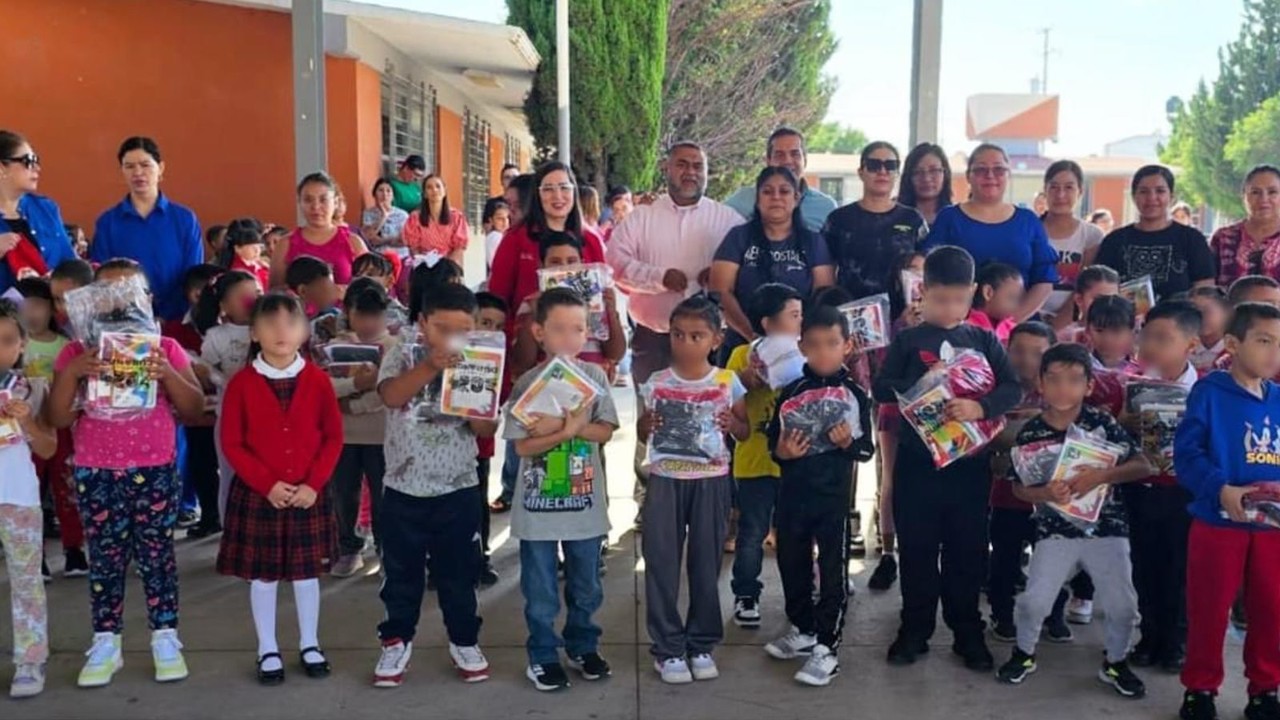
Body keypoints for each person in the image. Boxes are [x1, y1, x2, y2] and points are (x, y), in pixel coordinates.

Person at [48, 260, 205, 688]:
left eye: (128, 294)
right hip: (97, 471)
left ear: (146, 300)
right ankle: (106, 641)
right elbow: (58, 417)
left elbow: (193, 409)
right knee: (105, 559)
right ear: (89, 304)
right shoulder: (76, 352)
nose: (118, 305)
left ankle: (165, 636)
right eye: (106, 295)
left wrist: (166, 373)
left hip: (154, 469)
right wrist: (75, 374)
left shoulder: (165, 348)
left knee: (158, 556)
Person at [873, 245, 1020, 671]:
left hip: (969, 470)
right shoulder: (908, 340)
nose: (950, 308)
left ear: (974, 292)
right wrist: (919, 386)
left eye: (959, 299)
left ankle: (967, 633)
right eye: (940, 299)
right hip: (918, 467)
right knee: (917, 551)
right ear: (922, 292)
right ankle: (914, 630)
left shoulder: (983, 339)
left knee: (967, 553)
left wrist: (981, 407)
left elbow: (1011, 388)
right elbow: (882, 388)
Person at [997, 343, 1149, 698]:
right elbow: (1020, 489)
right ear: (1040, 384)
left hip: (1107, 530)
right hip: (1055, 532)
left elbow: (1143, 464)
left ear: (1089, 386)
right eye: (1054, 380)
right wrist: (1045, 494)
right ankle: (1024, 653)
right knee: (1035, 601)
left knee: (1123, 606)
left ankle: (1115, 662)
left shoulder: (1102, 423)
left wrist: (1101, 476)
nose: (1064, 388)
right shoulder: (1031, 432)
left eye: (1074, 380)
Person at [607, 142, 743, 510]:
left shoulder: (727, 219)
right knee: (650, 414)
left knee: (710, 416)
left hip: (708, 343)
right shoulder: (641, 218)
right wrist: (658, 278)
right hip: (654, 335)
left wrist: (716, 276)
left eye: (698, 165)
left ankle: (707, 495)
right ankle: (647, 497)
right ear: (667, 168)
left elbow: (741, 266)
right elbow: (615, 262)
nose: (691, 172)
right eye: (682, 164)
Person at [216, 293, 343, 685]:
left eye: (291, 323)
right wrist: (267, 484)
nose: (281, 332)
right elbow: (232, 442)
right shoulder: (242, 384)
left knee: (307, 575)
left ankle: (310, 642)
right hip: (260, 495)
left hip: (308, 495)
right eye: (270, 324)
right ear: (254, 333)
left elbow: (333, 438)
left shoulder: (318, 381)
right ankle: (266, 648)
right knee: (265, 576)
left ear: (305, 332)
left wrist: (313, 485)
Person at [373, 283, 496, 688]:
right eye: (442, 328)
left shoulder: (478, 356)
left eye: (462, 329)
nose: (452, 339)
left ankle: (464, 639)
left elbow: (483, 427)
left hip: (458, 487)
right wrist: (430, 366)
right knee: (401, 572)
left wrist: (478, 400)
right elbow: (390, 395)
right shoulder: (402, 350)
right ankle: (396, 639)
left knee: (459, 573)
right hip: (403, 487)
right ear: (422, 322)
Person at [506, 288, 620, 691]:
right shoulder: (527, 384)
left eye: (579, 329)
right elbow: (522, 445)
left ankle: (582, 644)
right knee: (540, 591)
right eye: (559, 329)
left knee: (586, 584)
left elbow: (604, 431)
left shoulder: (595, 378)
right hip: (537, 508)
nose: (571, 338)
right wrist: (565, 431)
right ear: (539, 332)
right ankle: (541, 654)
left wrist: (565, 428)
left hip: (583, 505)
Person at [1174, 301, 1280, 720]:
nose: (1274, 353)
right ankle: (1199, 688)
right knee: (1209, 609)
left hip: (1272, 530)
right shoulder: (1209, 392)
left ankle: (1266, 688)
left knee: (1272, 609)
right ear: (1233, 344)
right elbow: (1186, 454)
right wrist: (1221, 490)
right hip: (1218, 523)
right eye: (1264, 341)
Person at [638, 296, 748, 685]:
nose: (686, 343)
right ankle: (667, 648)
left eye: (697, 335)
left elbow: (744, 430)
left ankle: (701, 643)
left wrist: (731, 422)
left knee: (706, 563)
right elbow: (642, 433)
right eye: (678, 334)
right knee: (662, 562)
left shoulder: (726, 382)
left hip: (712, 479)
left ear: (716, 339)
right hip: (666, 480)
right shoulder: (657, 383)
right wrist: (646, 425)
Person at [763, 304, 874, 687]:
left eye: (832, 343)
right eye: (815, 343)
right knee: (791, 565)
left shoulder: (856, 394)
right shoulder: (790, 391)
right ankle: (804, 629)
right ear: (802, 347)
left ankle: (827, 647)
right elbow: (771, 444)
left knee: (832, 574)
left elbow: (866, 451)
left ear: (847, 346)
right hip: (793, 498)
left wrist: (847, 445)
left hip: (833, 503)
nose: (824, 351)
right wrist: (782, 453)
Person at [1127, 300, 1201, 673]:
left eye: (1162, 338)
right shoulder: (1130, 385)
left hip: (1184, 494)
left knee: (1180, 568)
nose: (1150, 346)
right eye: (1146, 336)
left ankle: (1176, 642)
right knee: (1143, 565)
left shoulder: (1206, 390)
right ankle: (1149, 636)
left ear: (1190, 345)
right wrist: (1123, 418)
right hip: (1139, 488)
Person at [985, 322, 1070, 643]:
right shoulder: (995, 392)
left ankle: (1055, 614)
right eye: (1018, 350)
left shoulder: (1061, 393)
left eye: (1038, 353)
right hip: (1006, 497)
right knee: (1004, 559)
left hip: (1052, 499)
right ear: (1006, 350)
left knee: (1054, 560)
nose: (1026, 359)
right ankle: (1002, 615)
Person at [727, 283, 803, 628]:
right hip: (754, 461)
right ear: (769, 323)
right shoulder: (742, 355)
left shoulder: (805, 352)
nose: (801, 322)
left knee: (795, 532)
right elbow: (730, 400)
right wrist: (747, 378)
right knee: (752, 531)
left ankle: (802, 590)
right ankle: (746, 593)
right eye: (794, 315)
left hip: (794, 461)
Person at [923, 144, 1058, 321]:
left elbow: (1044, 280)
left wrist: (1011, 324)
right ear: (968, 176)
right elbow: (929, 273)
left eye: (999, 169)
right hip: (960, 327)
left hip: (1020, 330)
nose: (990, 176)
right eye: (981, 170)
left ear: (1008, 175)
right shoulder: (949, 218)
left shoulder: (1028, 221)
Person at [710, 166, 834, 355]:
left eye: (784, 191)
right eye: (767, 191)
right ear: (758, 200)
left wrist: (800, 338)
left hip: (800, 349)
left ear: (796, 198)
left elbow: (823, 295)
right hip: (742, 346)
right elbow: (720, 290)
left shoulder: (813, 242)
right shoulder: (738, 237)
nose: (776, 197)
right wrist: (753, 337)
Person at [0, 298, 57, 698]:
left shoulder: (31, 388)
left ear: (22, 345)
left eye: (6, 340)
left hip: (17, 496)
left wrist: (25, 420)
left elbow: (49, 448)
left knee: (26, 582)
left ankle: (30, 660)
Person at [15, 277, 87, 577]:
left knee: (67, 488)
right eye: (25, 306)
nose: (32, 312)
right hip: (24, 433)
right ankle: (38, 556)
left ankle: (74, 549)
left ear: (52, 310)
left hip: (62, 429)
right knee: (33, 491)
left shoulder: (66, 346)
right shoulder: (14, 344)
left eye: (40, 305)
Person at [91, 137, 203, 322]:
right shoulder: (108, 222)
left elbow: (192, 275)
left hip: (177, 319)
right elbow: (103, 277)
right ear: (122, 172)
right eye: (129, 166)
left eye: (145, 165)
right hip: (125, 322)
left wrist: (167, 315)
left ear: (161, 168)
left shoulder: (184, 219)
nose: (138, 173)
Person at [490, 162, 607, 336]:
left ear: (574, 191)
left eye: (564, 187)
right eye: (548, 189)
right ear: (537, 194)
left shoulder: (591, 240)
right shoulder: (515, 239)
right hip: (528, 346)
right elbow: (497, 298)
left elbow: (601, 298)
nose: (557, 196)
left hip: (581, 347)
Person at [327, 278, 392, 578]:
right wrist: (355, 384)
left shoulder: (394, 346)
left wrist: (354, 402)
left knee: (383, 495)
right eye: (361, 315)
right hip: (343, 435)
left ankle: (385, 548)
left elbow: (389, 391)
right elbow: (326, 387)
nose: (368, 323)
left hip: (381, 434)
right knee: (344, 492)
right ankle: (349, 547)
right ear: (348, 313)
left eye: (374, 316)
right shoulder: (336, 347)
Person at [822, 141, 928, 305]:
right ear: (860, 172)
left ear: (897, 173)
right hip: (851, 315)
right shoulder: (838, 220)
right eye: (873, 165)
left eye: (890, 165)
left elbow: (925, 274)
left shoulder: (913, 219)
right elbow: (826, 276)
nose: (882, 171)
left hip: (902, 317)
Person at [1095, 165, 1215, 301]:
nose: (1152, 197)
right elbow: (1100, 291)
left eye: (1160, 191)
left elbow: (1205, 292)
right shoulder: (1114, 241)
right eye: (1144, 191)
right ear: (1134, 196)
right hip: (1122, 321)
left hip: (1180, 320)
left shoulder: (1192, 239)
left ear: (1172, 197)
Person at [195, 270, 260, 517]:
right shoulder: (216, 337)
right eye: (241, 296)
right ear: (223, 305)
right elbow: (205, 373)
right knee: (231, 478)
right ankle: (230, 533)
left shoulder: (269, 328)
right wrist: (211, 374)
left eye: (254, 294)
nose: (250, 301)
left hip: (264, 419)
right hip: (230, 418)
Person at [0, 131, 78, 294]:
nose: (37, 168)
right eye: (28, 161)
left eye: (36, 160)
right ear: (2, 168)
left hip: (50, 311)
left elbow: (70, 263)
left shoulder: (46, 209)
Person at [724, 127, 837, 232]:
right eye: (779, 155)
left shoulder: (826, 207)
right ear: (768, 161)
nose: (787, 161)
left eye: (795, 154)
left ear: (805, 160)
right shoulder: (742, 200)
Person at [270, 172, 369, 290]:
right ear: (299, 202)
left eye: (323, 200)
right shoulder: (285, 244)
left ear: (336, 202)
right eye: (308, 200)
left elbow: (370, 289)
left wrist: (341, 293)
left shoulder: (353, 243)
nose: (316, 207)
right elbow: (274, 292)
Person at [473, 291, 507, 586]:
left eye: (498, 327)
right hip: (446, 448)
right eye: (485, 322)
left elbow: (502, 401)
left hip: (480, 446)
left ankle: (479, 557)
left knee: (477, 503)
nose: (491, 332)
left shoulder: (498, 358)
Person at [1041, 160, 1104, 320]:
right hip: (1029, 321)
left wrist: (1058, 326)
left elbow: (1084, 288)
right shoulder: (1029, 230)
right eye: (1054, 187)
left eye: (1069, 187)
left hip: (1070, 323)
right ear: (1045, 191)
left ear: (1080, 192)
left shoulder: (1092, 235)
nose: (1060, 195)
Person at [1210, 165, 1280, 287]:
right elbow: (1208, 288)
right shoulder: (1223, 238)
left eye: (1272, 192)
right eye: (1255, 192)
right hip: (1229, 306)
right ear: (1244, 197)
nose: (1264, 199)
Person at [402, 174, 469, 267]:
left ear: (444, 191)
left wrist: (444, 267)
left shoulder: (457, 217)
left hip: (450, 268)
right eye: (429, 187)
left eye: (438, 186)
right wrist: (424, 264)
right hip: (423, 268)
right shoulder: (415, 218)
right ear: (425, 194)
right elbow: (414, 248)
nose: (434, 190)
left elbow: (459, 247)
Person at [1054, 265, 1121, 343]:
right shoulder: (1065, 339)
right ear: (1079, 299)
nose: (1107, 305)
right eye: (1099, 299)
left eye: (1114, 299)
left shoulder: (1131, 335)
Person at [897, 142, 954, 226]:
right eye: (918, 172)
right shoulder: (895, 217)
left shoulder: (956, 218)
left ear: (945, 174)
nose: (926, 179)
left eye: (934, 170)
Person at [968, 262, 1024, 344]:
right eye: (1011, 298)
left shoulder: (1013, 330)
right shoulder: (967, 327)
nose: (1015, 306)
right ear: (988, 292)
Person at [361, 178, 411, 250]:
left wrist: (382, 241)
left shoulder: (402, 215)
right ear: (374, 194)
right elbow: (368, 237)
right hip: (377, 256)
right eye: (381, 190)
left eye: (388, 191)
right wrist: (384, 216)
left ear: (393, 196)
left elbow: (404, 240)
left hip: (399, 256)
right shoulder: (369, 213)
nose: (385, 194)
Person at [1191, 286, 1231, 372]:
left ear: (1226, 313)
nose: (1201, 317)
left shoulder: (1235, 352)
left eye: (1207, 311)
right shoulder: (1183, 350)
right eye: (1194, 312)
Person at [226, 218, 270, 292]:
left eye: (260, 247)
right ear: (237, 248)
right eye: (252, 247)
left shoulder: (261, 264)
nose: (257, 251)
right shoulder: (237, 270)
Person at [483, 199, 512, 272]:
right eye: (500, 218)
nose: (505, 222)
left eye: (507, 218)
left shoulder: (501, 236)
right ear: (491, 220)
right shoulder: (495, 237)